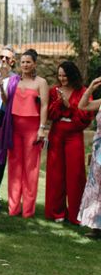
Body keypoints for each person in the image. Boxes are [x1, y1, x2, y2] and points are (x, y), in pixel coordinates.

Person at [0, 49, 49, 218]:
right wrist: (1, 88)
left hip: (33, 127)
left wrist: (42, 128)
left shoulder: (41, 82)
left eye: (28, 62)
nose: (25, 65)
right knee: (14, 167)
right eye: (23, 62)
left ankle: (28, 210)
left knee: (31, 168)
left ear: (34, 64)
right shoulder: (13, 80)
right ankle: (13, 208)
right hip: (14, 127)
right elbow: (6, 102)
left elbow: (44, 106)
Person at [45, 61, 93, 224]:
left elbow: (84, 118)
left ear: (72, 75)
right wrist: (59, 102)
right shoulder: (54, 91)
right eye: (59, 75)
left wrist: (69, 105)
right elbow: (50, 114)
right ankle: (57, 212)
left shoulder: (83, 92)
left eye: (65, 75)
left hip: (74, 136)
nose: (62, 78)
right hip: (57, 134)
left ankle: (76, 214)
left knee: (76, 175)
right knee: (55, 174)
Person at [0, 46, 17, 196]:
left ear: (12, 61)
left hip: (5, 121)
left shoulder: (15, 79)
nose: (3, 60)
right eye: (1, 57)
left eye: (7, 58)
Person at [77, 76, 101, 239]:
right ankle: (96, 227)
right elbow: (82, 105)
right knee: (96, 189)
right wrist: (91, 88)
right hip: (99, 149)